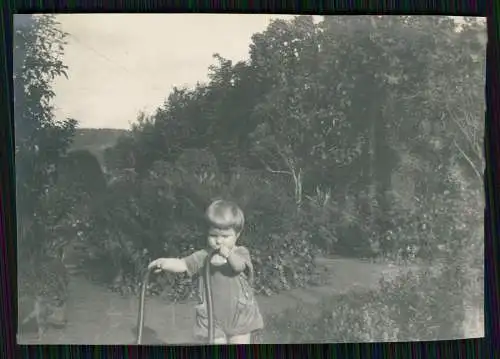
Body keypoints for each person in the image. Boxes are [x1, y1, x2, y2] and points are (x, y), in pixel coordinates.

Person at [148, 199, 264, 344]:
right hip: (211, 317)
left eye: (225, 236)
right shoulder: (203, 256)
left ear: (237, 235)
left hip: (238, 315)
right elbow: (183, 264)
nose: (219, 241)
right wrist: (165, 263)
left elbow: (239, 266)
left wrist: (227, 254)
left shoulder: (240, 252)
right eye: (213, 236)